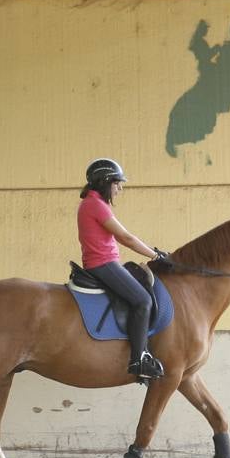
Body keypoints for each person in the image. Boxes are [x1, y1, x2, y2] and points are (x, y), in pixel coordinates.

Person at [78, 158, 171, 382]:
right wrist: (155, 255)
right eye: (117, 183)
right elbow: (126, 238)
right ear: (105, 182)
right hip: (103, 264)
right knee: (142, 300)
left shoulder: (93, 203)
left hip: (105, 262)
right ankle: (139, 358)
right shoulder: (95, 205)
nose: (120, 188)